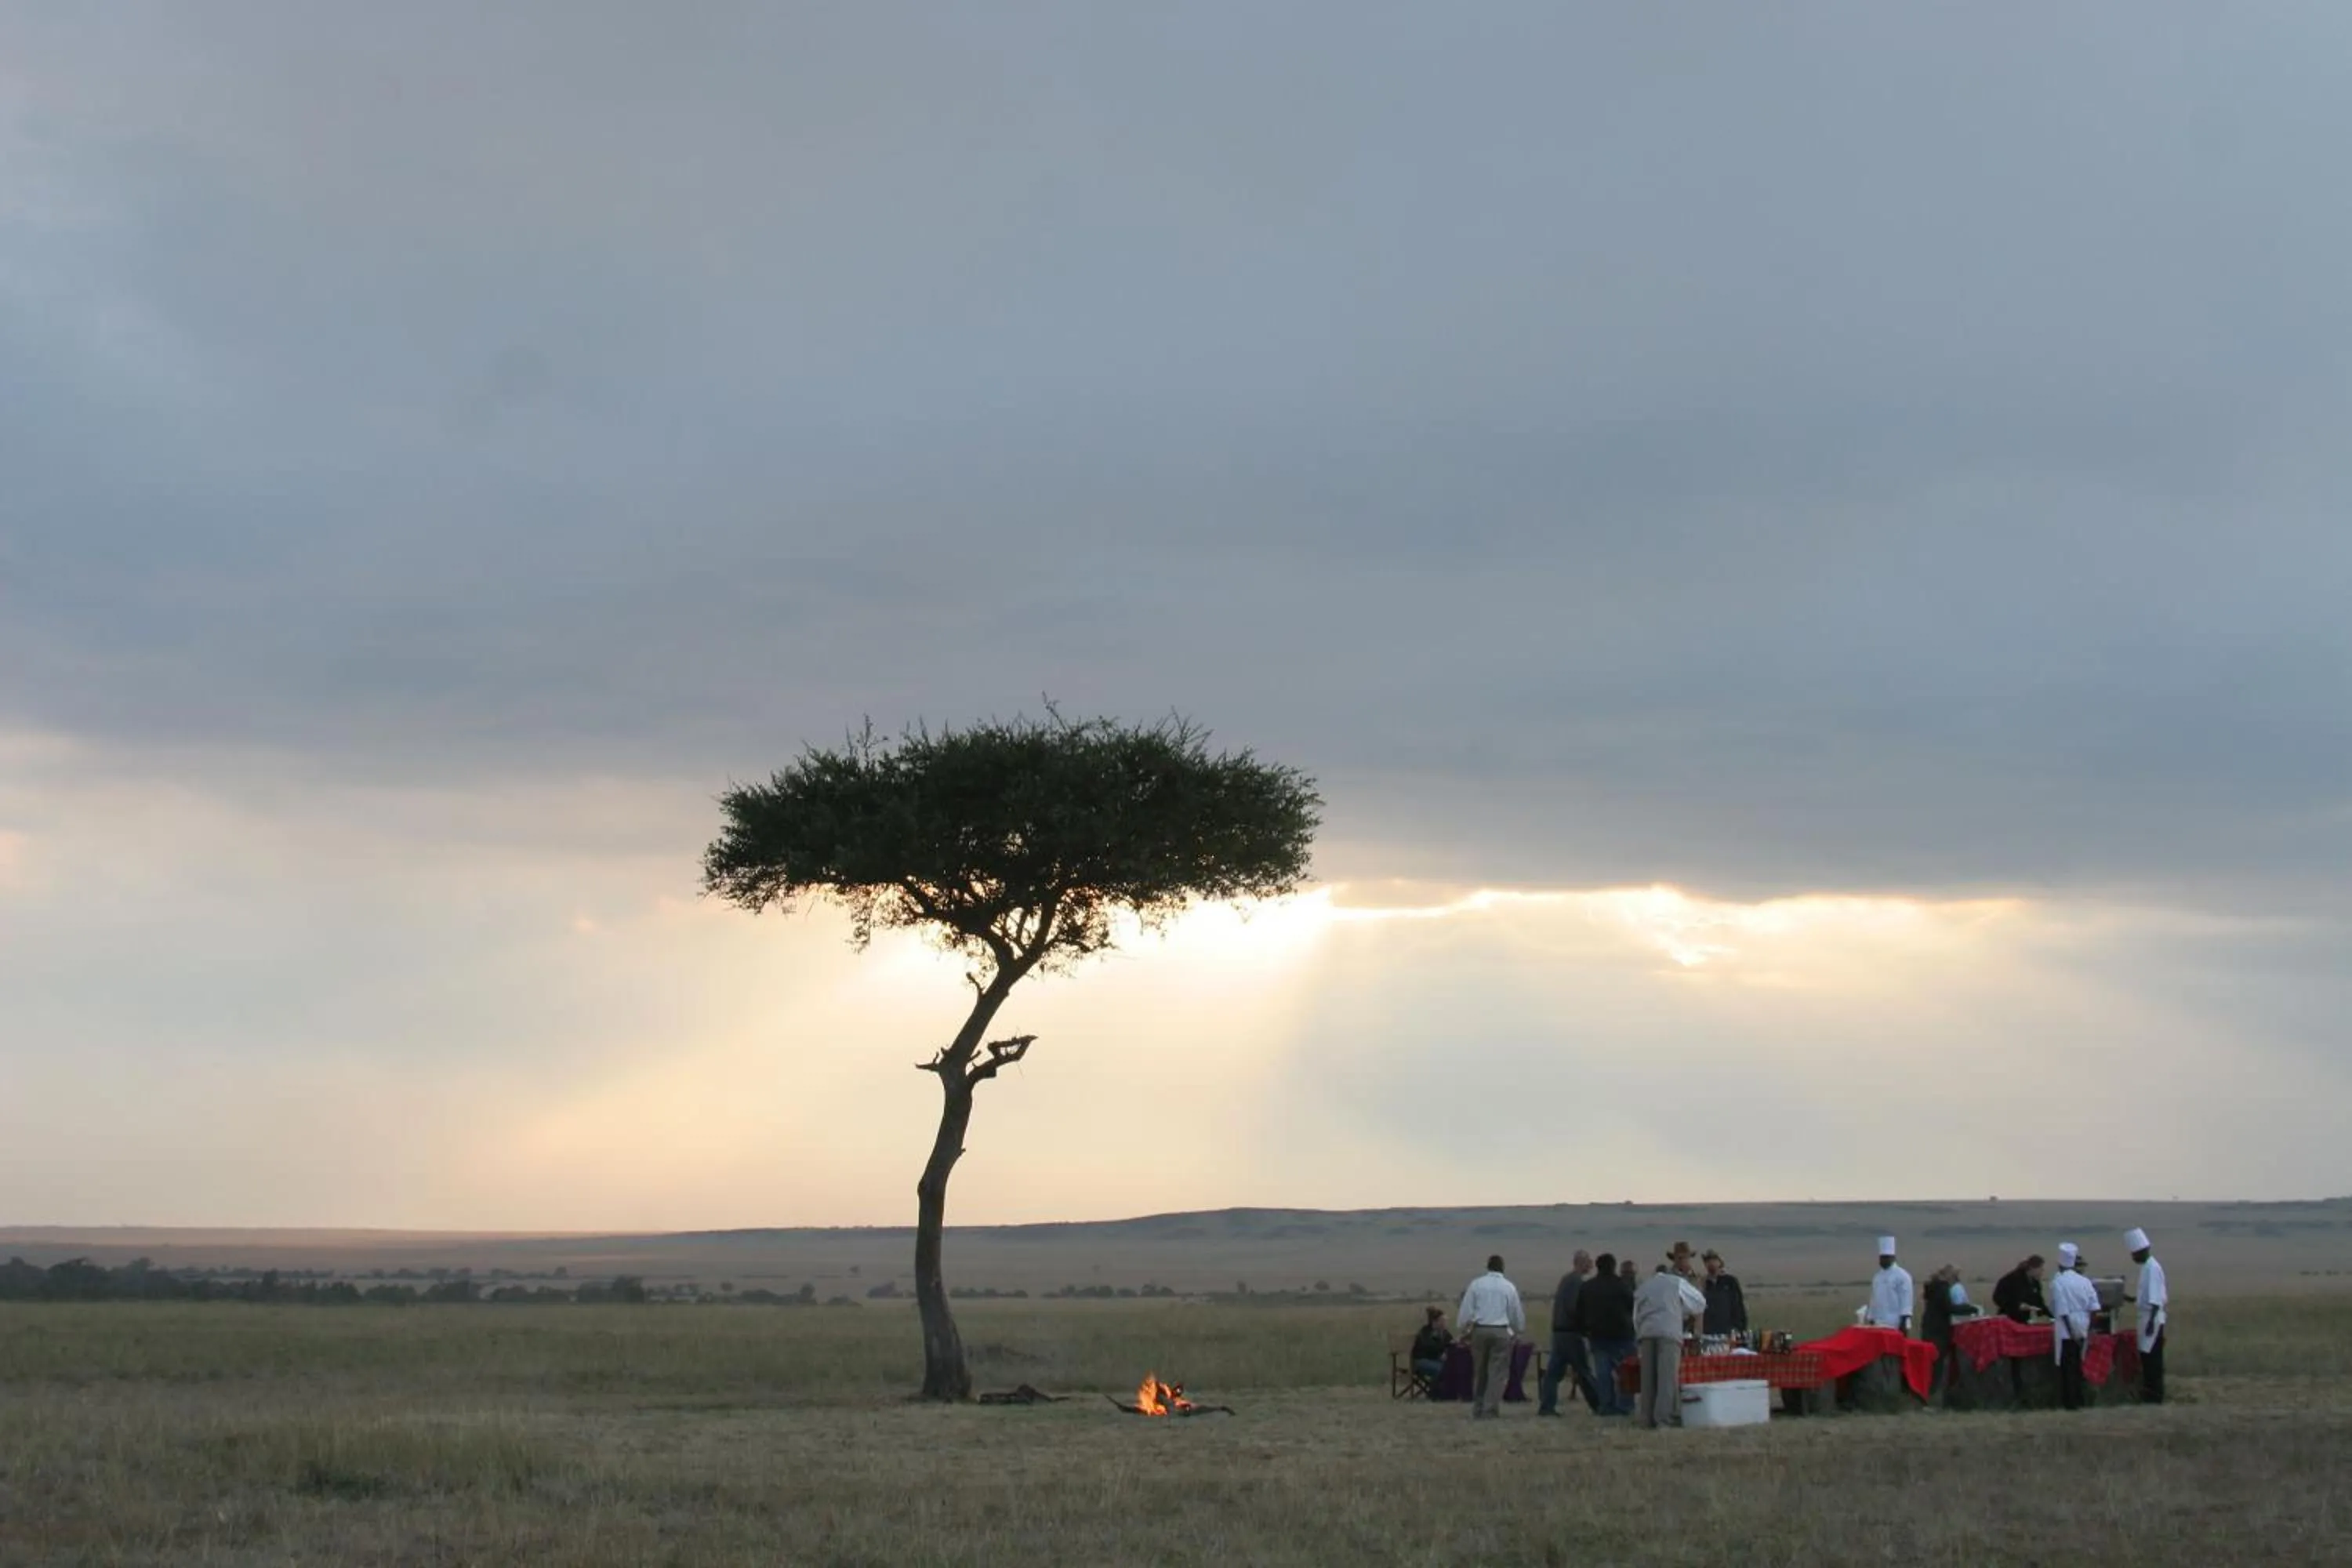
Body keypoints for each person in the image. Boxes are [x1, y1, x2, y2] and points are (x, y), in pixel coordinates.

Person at [1632, 1260, 1707, 1429]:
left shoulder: (1644, 1287)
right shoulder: (1676, 1283)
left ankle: (1646, 1419)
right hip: (1669, 1332)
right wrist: (1681, 1311)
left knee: (1648, 1378)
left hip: (1647, 1333)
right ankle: (1663, 1419)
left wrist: (1640, 1332)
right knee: (1667, 1378)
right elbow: (1699, 1302)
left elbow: (1635, 1314)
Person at [1454, 1254, 1526, 1420]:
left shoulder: (1477, 1284)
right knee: (1497, 1373)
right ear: (1502, 1268)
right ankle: (1490, 1409)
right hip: (1501, 1331)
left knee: (1480, 1370)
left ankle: (1478, 1407)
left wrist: (1463, 1327)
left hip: (1480, 1330)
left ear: (1488, 1267)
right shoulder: (1508, 1287)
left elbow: (1467, 1309)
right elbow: (1515, 1312)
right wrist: (1518, 1329)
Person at [1572, 1251, 1638, 1417]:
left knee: (1603, 1374)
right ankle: (1625, 1406)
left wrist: (1584, 1332)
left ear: (1598, 1267)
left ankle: (1606, 1406)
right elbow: (1634, 1309)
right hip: (1624, 1336)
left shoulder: (1587, 1287)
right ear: (1614, 1267)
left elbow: (1579, 1313)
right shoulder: (1623, 1286)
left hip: (1598, 1337)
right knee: (1626, 1373)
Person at [1537, 1251, 1598, 1417]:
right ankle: (1599, 1405)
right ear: (1581, 1263)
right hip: (1571, 1334)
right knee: (1584, 1371)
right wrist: (1586, 1325)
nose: (1592, 1265)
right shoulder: (1576, 1282)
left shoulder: (1566, 1280)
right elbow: (1574, 1308)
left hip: (1559, 1333)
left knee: (1553, 1372)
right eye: (1589, 1262)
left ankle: (1547, 1406)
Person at [2049, 1241, 2101, 1411]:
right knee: (2079, 1365)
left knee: (2067, 1367)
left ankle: (2070, 1403)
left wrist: (2071, 1333)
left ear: (2060, 1264)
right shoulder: (2085, 1281)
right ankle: (2080, 1399)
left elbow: (2062, 1311)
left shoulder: (2058, 1282)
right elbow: (2094, 1308)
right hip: (2083, 1325)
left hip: (2066, 1329)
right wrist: (2089, 1329)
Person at [2125, 1227, 2168, 1404]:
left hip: (2152, 1320)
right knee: (2147, 1359)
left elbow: (2156, 1300)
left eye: (2134, 1254)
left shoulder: (2153, 1268)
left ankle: (2155, 1396)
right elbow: (2145, 1297)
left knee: (2153, 1360)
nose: (2133, 1258)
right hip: (2146, 1318)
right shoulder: (2146, 1268)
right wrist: (2129, 1298)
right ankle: (2150, 1392)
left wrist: (2151, 1323)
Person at [1922, 1264, 1964, 1399]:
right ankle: (1932, 1393)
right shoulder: (1943, 1288)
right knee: (1938, 1364)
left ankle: (1927, 1392)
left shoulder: (1932, 1288)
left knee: (1931, 1362)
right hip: (1940, 1331)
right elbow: (1949, 1308)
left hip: (1929, 1328)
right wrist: (1970, 1309)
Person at [1867, 1236, 1915, 1333]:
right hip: (1879, 1323)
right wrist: (1871, 1317)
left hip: (1896, 1323)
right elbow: (1874, 1299)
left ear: (1893, 1258)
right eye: (1881, 1258)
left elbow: (1906, 1300)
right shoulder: (1877, 1277)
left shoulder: (1902, 1276)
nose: (1883, 1261)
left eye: (1886, 1258)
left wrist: (1904, 1321)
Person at [1700, 1249, 1748, 1336]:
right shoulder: (1703, 1283)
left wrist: (1740, 1328)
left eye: (1714, 1260)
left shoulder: (1730, 1281)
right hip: (1708, 1330)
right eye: (1708, 1261)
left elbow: (1738, 1306)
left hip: (1728, 1329)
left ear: (1720, 1262)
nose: (1711, 1263)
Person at [1994, 1255, 2048, 1323]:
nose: (2042, 1271)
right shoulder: (2011, 1280)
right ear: (2033, 1268)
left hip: (2026, 1320)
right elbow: (1998, 1298)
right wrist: (2018, 1306)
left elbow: (2039, 1302)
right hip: (2009, 1320)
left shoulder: (2035, 1283)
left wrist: (2049, 1316)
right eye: (2041, 1269)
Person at [1409, 1305, 1452, 1389]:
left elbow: (1450, 1344)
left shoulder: (1444, 1333)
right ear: (1435, 1322)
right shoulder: (1425, 1332)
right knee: (1441, 1369)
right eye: (1442, 1321)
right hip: (1421, 1361)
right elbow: (1430, 1348)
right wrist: (1440, 1354)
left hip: (1435, 1360)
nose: (1445, 1323)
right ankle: (1436, 1390)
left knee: (1451, 1367)